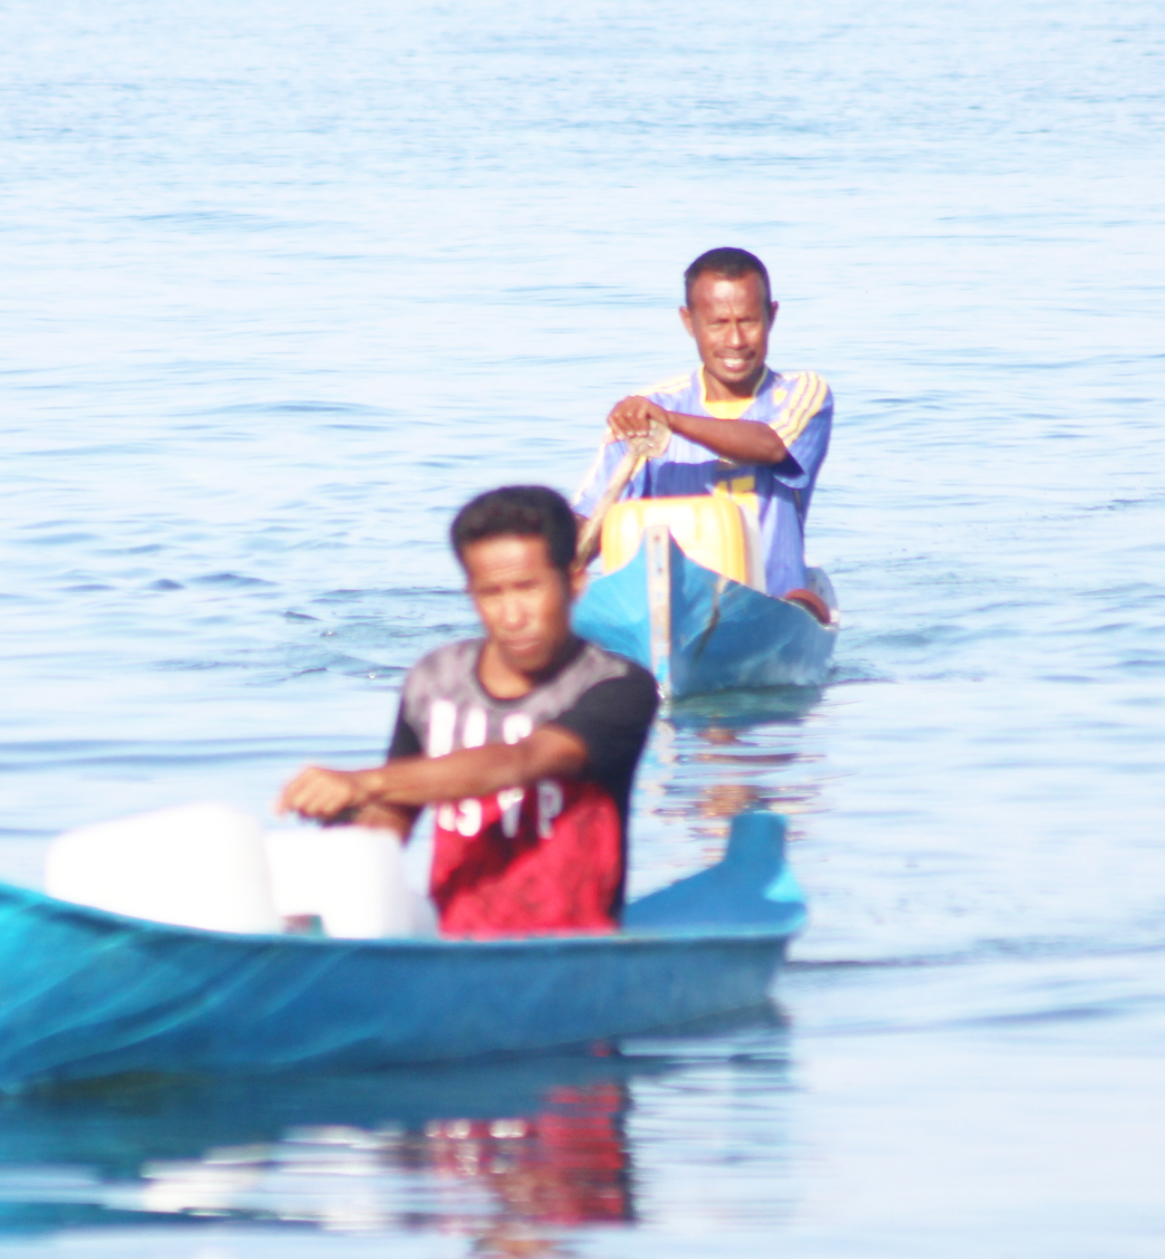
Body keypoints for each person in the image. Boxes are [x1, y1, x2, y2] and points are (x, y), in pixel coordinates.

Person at [278, 487, 658, 937]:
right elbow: (394, 820)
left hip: (572, 945)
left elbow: (523, 760)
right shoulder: (434, 681)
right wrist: (332, 859)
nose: (512, 616)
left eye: (528, 588)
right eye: (490, 594)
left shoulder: (617, 686)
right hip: (456, 942)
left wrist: (361, 782)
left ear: (574, 582)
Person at [575, 246, 833, 616]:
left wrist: (671, 422)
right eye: (718, 324)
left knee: (805, 604)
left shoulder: (804, 391)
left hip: (769, 607)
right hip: (673, 609)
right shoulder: (648, 408)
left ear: (771, 316)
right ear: (688, 322)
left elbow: (771, 446)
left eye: (748, 321)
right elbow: (592, 518)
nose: (735, 341)